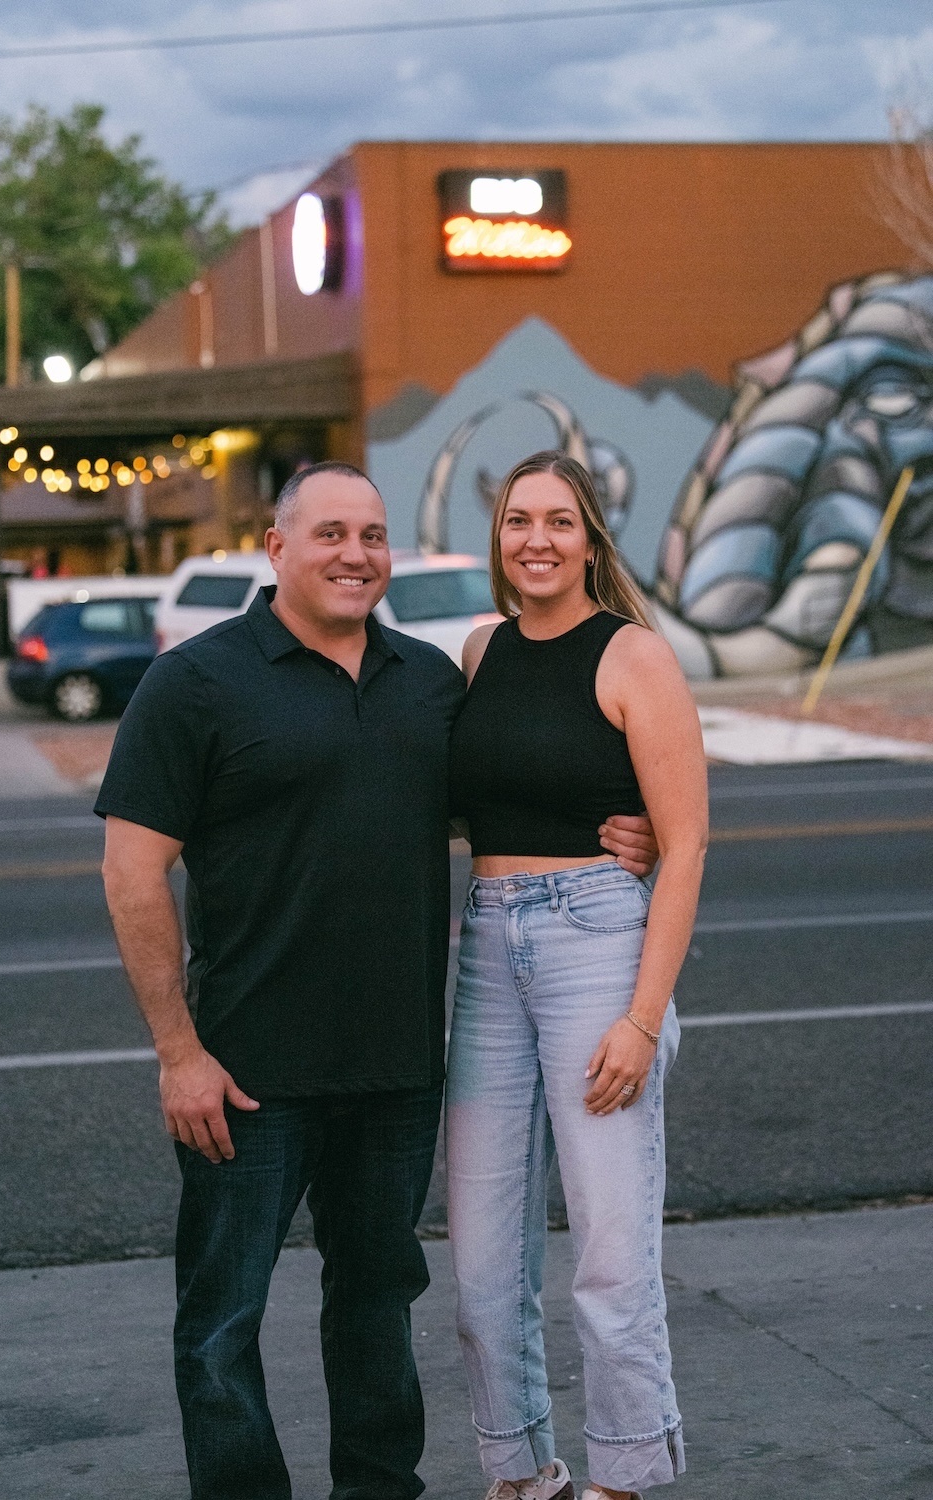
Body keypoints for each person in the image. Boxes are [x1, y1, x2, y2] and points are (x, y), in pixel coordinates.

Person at [97, 460, 658, 1500]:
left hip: (395, 1069)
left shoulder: (428, 683)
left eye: (371, 535)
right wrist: (179, 1053)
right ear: (277, 548)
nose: (355, 555)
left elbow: (505, 796)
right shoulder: (195, 682)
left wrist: (622, 833)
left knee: (375, 1306)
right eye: (330, 534)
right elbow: (131, 874)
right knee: (221, 1322)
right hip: (244, 1072)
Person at [447, 451, 708, 1500]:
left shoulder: (633, 656)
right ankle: (520, 1472)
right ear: (499, 536)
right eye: (519, 520)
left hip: (594, 944)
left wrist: (642, 1020)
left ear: (591, 539)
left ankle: (624, 1473)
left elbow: (685, 846)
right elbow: (475, 799)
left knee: (608, 1245)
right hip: (485, 947)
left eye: (559, 520)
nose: (537, 539)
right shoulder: (479, 651)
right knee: (479, 1260)